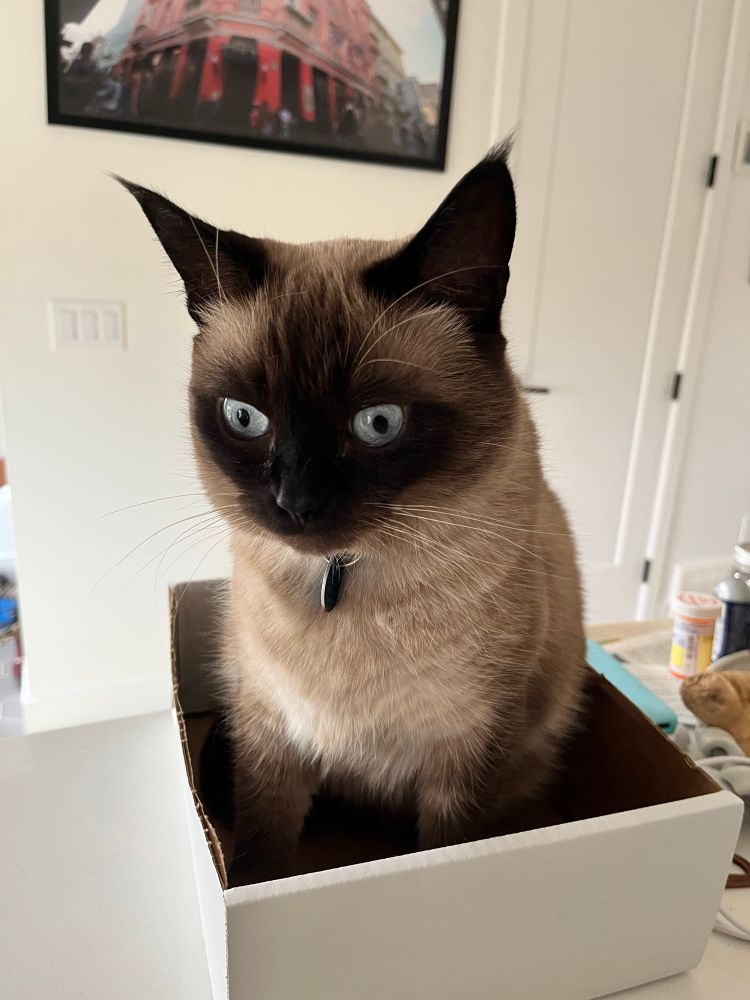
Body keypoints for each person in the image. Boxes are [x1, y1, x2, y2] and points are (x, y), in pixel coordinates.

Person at [61, 41, 100, 115]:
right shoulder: (75, 62)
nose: (85, 52)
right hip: (70, 90)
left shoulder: (93, 65)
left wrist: (79, 81)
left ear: (91, 52)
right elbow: (68, 75)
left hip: (82, 94)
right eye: (84, 49)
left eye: (88, 50)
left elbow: (92, 80)